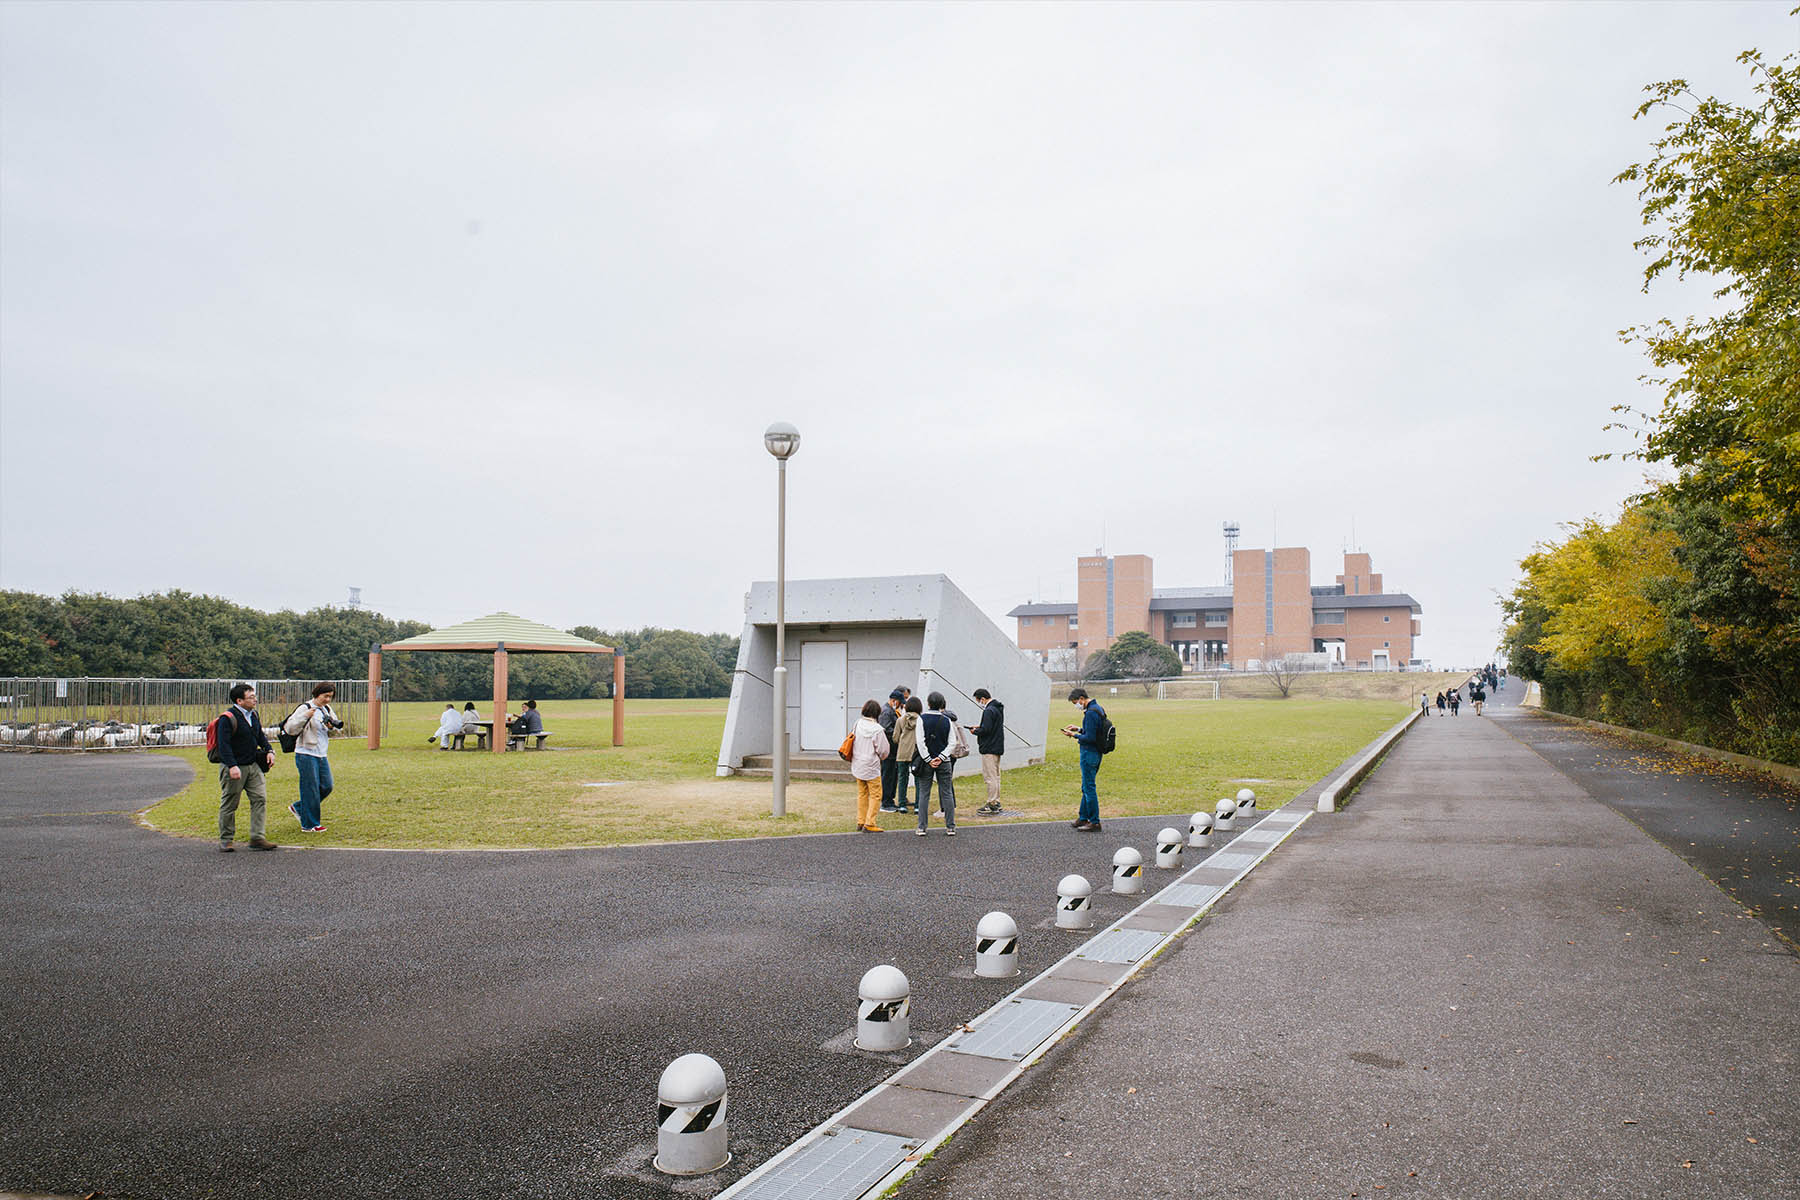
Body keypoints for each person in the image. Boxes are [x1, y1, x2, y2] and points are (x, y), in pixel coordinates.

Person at [216, 683, 277, 852]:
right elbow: (224, 745)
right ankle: (226, 839)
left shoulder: (253, 715)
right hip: (234, 767)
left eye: (254, 696)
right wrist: (232, 765)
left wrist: (269, 750)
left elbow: (259, 736)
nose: (255, 699)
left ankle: (257, 838)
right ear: (239, 700)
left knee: (260, 799)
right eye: (251, 697)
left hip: (253, 765)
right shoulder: (227, 718)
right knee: (230, 803)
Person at [283, 682, 341, 832]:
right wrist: (305, 717)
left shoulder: (327, 709)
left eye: (330, 697)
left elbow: (336, 728)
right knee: (310, 788)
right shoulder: (305, 708)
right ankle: (310, 824)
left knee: (327, 786)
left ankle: (299, 807)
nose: (328, 699)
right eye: (325, 696)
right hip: (306, 753)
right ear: (317, 694)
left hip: (321, 753)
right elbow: (290, 728)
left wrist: (331, 727)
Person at [1060, 687, 1106, 832]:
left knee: (1089, 787)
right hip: (1096, 753)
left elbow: (1090, 738)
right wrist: (1079, 729)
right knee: (1086, 786)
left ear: (1081, 698)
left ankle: (1094, 821)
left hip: (1089, 753)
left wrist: (1073, 736)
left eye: (1076, 702)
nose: (1076, 706)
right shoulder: (1098, 709)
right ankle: (1083, 817)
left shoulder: (1091, 713)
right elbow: (1093, 732)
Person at [913, 692, 957, 836]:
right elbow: (952, 742)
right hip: (944, 761)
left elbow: (920, 741)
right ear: (942, 704)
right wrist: (941, 756)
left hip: (927, 762)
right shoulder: (947, 720)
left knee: (924, 793)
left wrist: (928, 759)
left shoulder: (921, 719)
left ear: (928, 703)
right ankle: (950, 826)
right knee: (946, 793)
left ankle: (922, 827)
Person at [850, 700, 891, 832]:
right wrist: (881, 757)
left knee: (862, 793)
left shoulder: (857, 724)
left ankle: (861, 821)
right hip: (871, 766)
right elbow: (884, 750)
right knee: (876, 795)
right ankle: (870, 823)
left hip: (858, 764)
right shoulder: (877, 730)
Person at [968, 688, 1005, 815]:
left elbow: (986, 730)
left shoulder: (988, 711)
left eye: (979, 700)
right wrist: (981, 726)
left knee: (990, 777)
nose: (980, 703)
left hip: (989, 747)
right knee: (996, 776)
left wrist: (975, 731)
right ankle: (997, 801)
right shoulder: (997, 708)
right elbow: (991, 726)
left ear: (982, 699)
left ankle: (992, 803)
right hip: (997, 746)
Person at [893, 696, 922, 814]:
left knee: (902, 778)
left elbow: (895, 738)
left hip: (903, 753)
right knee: (919, 780)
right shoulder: (921, 720)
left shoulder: (900, 720)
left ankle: (902, 805)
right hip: (917, 753)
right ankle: (918, 806)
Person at [877, 690, 904, 813]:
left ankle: (890, 800)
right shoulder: (886, 712)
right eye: (900, 702)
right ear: (894, 700)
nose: (900, 705)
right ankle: (886, 802)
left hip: (893, 751)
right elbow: (886, 729)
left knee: (892, 776)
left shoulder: (891, 711)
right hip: (889, 750)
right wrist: (899, 734)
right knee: (887, 776)